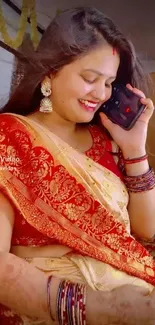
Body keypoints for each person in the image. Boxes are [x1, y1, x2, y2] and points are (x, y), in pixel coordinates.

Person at [0, 6, 154, 325]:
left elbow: (146, 232)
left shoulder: (105, 139)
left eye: (110, 83)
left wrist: (135, 149)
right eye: (89, 78)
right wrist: (103, 308)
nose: (100, 94)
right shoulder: (8, 138)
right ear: (50, 72)